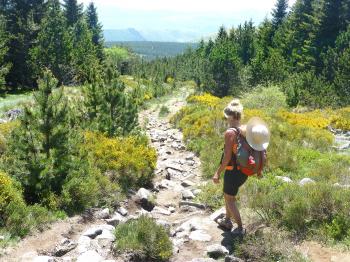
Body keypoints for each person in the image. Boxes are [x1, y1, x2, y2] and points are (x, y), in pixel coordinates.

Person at [212, 99, 270, 234]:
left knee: (230, 199)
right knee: (228, 196)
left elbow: (226, 157)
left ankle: (239, 227)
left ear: (229, 117)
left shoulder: (230, 133)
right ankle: (227, 220)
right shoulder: (245, 130)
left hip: (232, 172)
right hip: (243, 172)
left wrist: (217, 173)